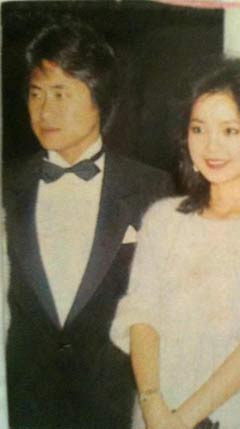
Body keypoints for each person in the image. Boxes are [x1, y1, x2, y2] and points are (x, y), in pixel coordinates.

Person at [110, 57, 240, 429]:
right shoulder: (163, 219)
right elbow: (141, 314)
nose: (211, 145)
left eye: (229, 130)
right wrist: (153, 404)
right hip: (159, 412)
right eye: (198, 129)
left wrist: (183, 420)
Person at [3, 20, 173, 428]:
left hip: (116, 406)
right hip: (26, 407)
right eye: (36, 94)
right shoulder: (7, 186)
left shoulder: (152, 188)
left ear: (100, 99)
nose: (45, 111)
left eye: (61, 94)